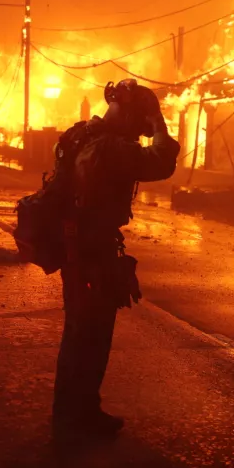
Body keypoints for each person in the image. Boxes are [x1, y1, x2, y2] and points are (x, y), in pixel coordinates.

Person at [52, 79, 180, 440]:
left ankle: (70, 415)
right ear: (128, 116)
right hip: (93, 254)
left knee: (77, 335)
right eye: (139, 124)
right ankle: (79, 420)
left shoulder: (80, 136)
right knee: (92, 337)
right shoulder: (111, 149)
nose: (139, 133)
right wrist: (158, 126)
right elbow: (161, 160)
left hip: (75, 251)